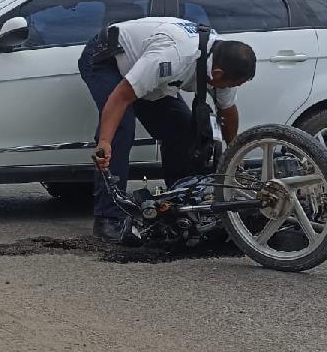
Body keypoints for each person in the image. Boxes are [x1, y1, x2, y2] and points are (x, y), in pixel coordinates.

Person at [78, 17, 257, 242]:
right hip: (108, 59)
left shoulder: (221, 58)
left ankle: (178, 206)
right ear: (218, 74)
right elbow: (121, 97)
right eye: (232, 85)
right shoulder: (173, 57)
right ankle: (109, 219)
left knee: (183, 130)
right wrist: (104, 141)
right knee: (121, 128)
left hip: (149, 73)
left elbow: (227, 111)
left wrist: (234, 152)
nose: (231, 89)